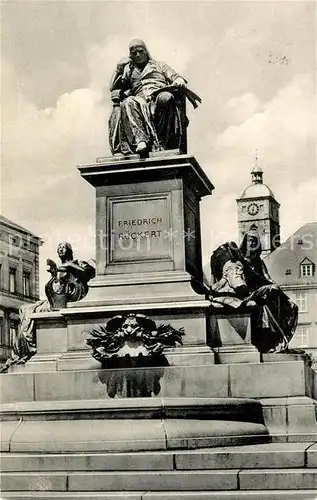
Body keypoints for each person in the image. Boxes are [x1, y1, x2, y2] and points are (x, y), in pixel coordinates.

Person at [210, 228, 298, 353]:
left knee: (285, 302)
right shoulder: (238, 260)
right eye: (250, 241)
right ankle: (269, 341)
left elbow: (267, 278)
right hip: (246, 293)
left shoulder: (258, 262)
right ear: (245, 242)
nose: (251, 244)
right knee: (264, 306)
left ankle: (275, 340)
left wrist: (275, 287)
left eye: (254, 242)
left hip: (257, 292)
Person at [109, 39, 188, 155]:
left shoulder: (159, 65)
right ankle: (141, 140)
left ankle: (163, 143)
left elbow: (175, 77)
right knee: (128, 102)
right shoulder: (129, 70)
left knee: (166, 98)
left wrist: (178, 80)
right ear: (130, 55)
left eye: (140, 51)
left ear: (146, 51)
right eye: (134, 53)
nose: (138, 55)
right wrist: (118, 69)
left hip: (158, 94)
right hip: (140, 100)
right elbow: (114, 87)